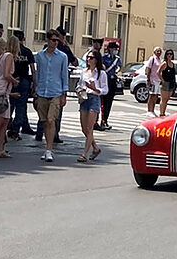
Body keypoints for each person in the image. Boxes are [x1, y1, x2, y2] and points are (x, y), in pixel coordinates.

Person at [34, 29, 69, 163]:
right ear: (47, 40)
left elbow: (64, 75)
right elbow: (39, 73)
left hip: (56, 92)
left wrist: (64, 94)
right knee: (44, 121)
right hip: (42, 91)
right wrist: (36, 90)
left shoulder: (62, 57)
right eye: (53, 40)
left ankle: (49, 149)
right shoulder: (40, 56)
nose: (55, 43)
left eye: (57, 41)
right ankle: (46, 148)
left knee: (51, 120)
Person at [76, 49, 106, 163]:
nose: (89, 59)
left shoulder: (101, 73)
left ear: (96, 60)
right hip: (84, 98)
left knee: (89, 128)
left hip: (94, 98)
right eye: (88, 57)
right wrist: (79, 90)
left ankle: (84, 154)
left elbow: (105, 90)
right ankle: (96, 148)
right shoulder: (84, 72)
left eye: (91, 57)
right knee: (84, 129)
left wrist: (95, 88)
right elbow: (79, 84)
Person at [8, 30, 36, 140]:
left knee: (9, 105)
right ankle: (15, 129)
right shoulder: (27, 52)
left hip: (11, 80)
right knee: (21, 107)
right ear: (23, 39)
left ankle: (6, 125)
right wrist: (34, 86)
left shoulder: (9, 52)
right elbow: (33, 70)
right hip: (24, 81)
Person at [99, 41, 121, 130]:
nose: (115, 50)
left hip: (113, 80)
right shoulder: (104, 57)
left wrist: (118, 70)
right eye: (114, 49)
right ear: (110, 49)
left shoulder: (117, 58)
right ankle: (102, 120)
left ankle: (105, 120)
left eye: (116, 49)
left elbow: (119, 66)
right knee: (104, 101)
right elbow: (102, 67)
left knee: (109, 102)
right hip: (105, 80)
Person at [158, 49, 177, 117]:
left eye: (171, 54)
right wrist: (162, 81)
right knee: (163, 99)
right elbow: (158, 72)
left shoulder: (173, 64)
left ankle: (164, 112)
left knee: (167, 100)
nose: (169, 55)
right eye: (168, 54)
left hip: (171, 83)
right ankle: (161, 113)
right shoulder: (164, 63)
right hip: (165, 83)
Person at [145, 46, 162, 117]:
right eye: (157, 51)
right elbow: (148, 69)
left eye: (160, 51)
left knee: (156, 95)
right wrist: (148, 79)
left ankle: (153, 109)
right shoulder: (152, 59)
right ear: (154, 52)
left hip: (158, 80)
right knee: (151, 95)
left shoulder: (160, 59)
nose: (159, 52)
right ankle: (149, 110)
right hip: (153, 79)